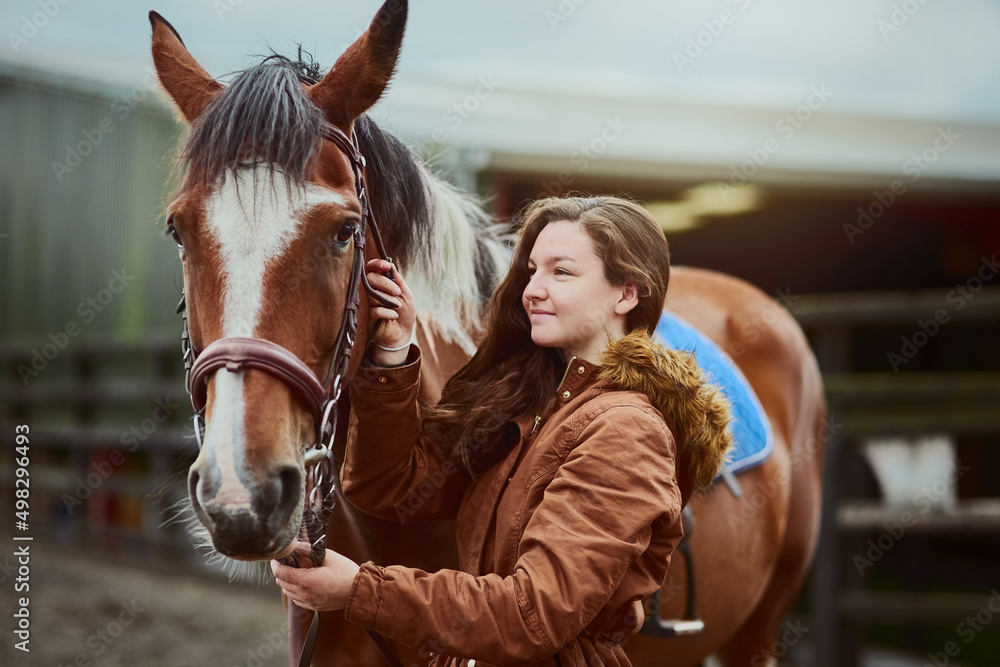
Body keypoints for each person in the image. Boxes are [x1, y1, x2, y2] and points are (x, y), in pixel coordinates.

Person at [271, 195, 732, 666]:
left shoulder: (628, 432)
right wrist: (394, 351)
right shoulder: (532, 407)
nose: (532, 289)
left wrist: (359, 591)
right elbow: (388, 485)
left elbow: (531, 616)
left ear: (627, 294)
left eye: (562, 272)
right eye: (532, 270)